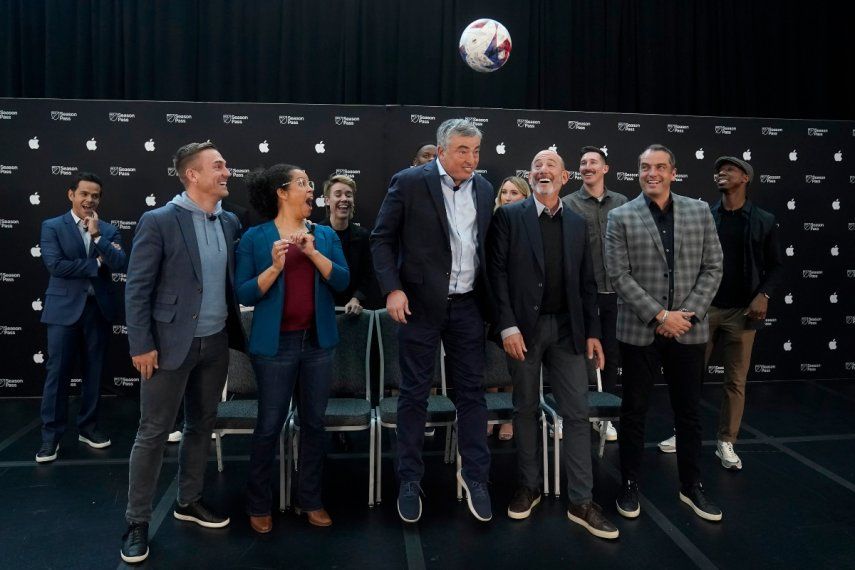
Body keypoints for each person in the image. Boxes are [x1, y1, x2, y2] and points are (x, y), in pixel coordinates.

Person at [121, 141, 246, 564]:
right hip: (167, 346)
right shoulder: (158, 221)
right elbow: (137, 288)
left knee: (201, 425)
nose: (227, 171)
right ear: (192, 174)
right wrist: (141, 344)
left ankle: (188, 500)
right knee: (153, 433)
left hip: (215, 343)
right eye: (219, 165)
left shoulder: (229, 221)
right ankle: (137, 521)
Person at [487, 150, 617, 539]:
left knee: (576, 413)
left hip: (568, 330)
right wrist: (506, 326)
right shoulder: (508, 217)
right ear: (531, 176)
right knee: (524, 408)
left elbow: (588, 282)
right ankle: (529, 487)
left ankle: (582, 501)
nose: (543, 171)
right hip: (523, 331)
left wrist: (593, 331)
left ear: (565, 178)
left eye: (551, 168)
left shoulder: (577, 223)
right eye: (537, 167)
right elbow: (495, 275)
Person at [371, 118, 494, 523]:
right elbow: (382, 239)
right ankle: (409, 479)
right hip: (420, 307)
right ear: (441, 151)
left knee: (473, 394)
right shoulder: (409, 182)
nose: (471, 159)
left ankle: (476, 477)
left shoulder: (484, 188)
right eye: (462, 150)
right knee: (414, 396)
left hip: (468, 307)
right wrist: (392, 288)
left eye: (476, 151)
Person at [605, 144, 723, 523]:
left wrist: (684, 316)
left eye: (659, 167)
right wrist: (660, 316)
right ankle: (628, 484)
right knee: (634, 413)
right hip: (640, 331)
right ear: (637, 172)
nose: (651, 173)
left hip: (688, 329)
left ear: (674, 172)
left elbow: (713, 267)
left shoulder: (700, 210)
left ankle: (692, 487)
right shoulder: (621, 216)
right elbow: (618, 276)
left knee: (689, 415)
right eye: (644, 167)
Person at [236, 164, 349, 533]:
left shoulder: (326, 234)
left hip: (317, 344)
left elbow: (343, 283)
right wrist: (274, 267)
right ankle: (258, 503)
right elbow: (245, 292)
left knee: (314, 424)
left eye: (309, 182)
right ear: (281, 192)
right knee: (268, 425)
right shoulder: (255, 238)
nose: (310, 189)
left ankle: (311, 500)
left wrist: (314, 254)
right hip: (274, 347)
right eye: (302, 183)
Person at [658, 156, 783, 471]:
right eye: (718, 171)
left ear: (745, 178)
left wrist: (763, 295)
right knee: (690, 375)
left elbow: (776, 265)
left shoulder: (763, 220)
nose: (720, 174)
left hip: (743, 312)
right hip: (705, 309)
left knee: (735, 381)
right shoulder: (704, 216)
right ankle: (683, 432)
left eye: (729, 170)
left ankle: (726, 441)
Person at [35, 172, 127, 463]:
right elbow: (56, 266)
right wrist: (94, 263)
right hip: (63, 311)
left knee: (94, 373)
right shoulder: (52, 226)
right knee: (57, 374)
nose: (90, 200)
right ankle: (50, 437)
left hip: (97, 310)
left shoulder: (109, 231)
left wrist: (97, 236)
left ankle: (88, 428)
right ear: (71, 194)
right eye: (84, 194)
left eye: (95, 195)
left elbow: (120, 262)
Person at [562, 146, 627, 443]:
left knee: (610, 356)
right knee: (575, 354)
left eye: (593, 162)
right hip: (579, 294)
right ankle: (569, 413)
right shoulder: (567, 203)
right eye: (582, 162)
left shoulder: (623, 203)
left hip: (616, 293)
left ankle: (604, 419)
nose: (587, 166)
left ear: (605, 168)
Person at [486, 175, 531, 441]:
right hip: (492, 300)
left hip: (522, 302)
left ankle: (509, 418)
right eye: (505, 192)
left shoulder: (531, 225)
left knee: (514, 362)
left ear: (525, 197)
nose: (509, 197)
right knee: (491, 361)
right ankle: (491, 415)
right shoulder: (491, 221)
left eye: (515, 192)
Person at [318, 174, 374, 314]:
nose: (344, 199)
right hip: (321, 312)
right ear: (327, 200)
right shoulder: (315, 235)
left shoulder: (362, 236)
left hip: (353, 314)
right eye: (338, 194)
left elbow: (367, 275)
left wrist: (357, 298)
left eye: (348, 195)